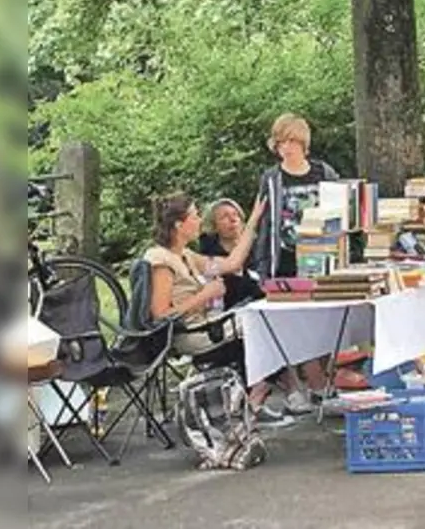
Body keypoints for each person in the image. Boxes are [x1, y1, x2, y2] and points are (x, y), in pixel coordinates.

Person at [145, 193, 292, 426]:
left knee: (269, 320)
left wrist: (253, 220)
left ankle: (250, 400)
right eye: (195, 215)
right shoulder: (161, 261)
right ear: (179, 224)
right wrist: (204, 295)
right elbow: (160, 315)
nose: (200, 221)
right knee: (266, 327)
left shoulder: (187, 255)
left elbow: (232, 263)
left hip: (208, 324)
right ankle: (252, 402)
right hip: (190, 335)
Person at [250, 114, 341, 281]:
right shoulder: (271, 178)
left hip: (320, 253)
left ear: (303, 143)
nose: (286, 147)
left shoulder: (324, 172)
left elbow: (338, 213)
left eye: (292, 141)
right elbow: (264, 222)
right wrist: (263, 264)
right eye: (281, 142)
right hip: (284, 259)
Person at [197, 199, 265, 308]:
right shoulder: (207, 257)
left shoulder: (259, 249)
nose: (233, 220)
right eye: (225, 216)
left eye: (236, 215)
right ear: (214, 226)